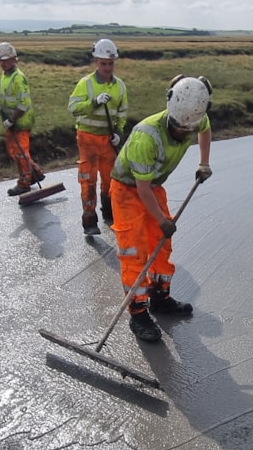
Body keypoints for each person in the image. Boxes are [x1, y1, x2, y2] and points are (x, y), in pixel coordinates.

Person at [109, 75, 213, 342]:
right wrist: (161, 220)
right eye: (179, 128)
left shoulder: (192, 116)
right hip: (127, 190)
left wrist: (204, 162)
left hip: (153, 186)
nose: (183, 133)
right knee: (134, 250)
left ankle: (159, 297)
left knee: (161, 244)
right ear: (171, 113)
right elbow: (140, 189)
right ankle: (138, 312)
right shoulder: (147, 136)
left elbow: (205, 128)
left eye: (187, 129)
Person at [68, 38, 127, 235]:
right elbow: (73, 108)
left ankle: (109, 213)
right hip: (88, 140)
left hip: (108, 142)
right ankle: (89, 220)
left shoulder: (120, 86)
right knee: (88, 181)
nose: (108, 67)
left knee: (111, 180)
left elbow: (122, 114)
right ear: (96, 62)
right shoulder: (85, 84)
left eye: (111, 63)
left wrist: (118, 133)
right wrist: (94, 102)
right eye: (104, 63)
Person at [0, 42, 45, 197]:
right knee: (14, 151)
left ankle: (24, 183)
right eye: (0, 61)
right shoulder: (6, 75)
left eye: (6, 60)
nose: (3, 63)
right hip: (11, 122)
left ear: (14, 59)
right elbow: (2, 87)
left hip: (20, 121)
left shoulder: (19, 78)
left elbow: (24, 104)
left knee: (20, 152)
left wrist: (11, 120)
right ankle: (35, 173)